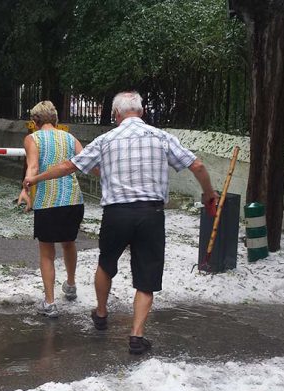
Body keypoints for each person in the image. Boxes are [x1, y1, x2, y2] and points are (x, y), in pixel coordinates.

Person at [25, 91, 218, 354]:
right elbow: (196, 165)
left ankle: (101, 313)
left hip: (116, 214)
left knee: (106, 263)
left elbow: (70, 166)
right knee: (146, 275)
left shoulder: (106, 139)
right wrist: (209, 194)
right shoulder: (161, 137)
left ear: (116, 115)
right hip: (151, 214)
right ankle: (137, 336)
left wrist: (35, 180)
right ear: (142, 112)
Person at [17, 101, 87, 318]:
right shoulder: (70, 138)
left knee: (47, 253)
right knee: (69, 244)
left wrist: (26, 189)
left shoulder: (32, 139)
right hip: (74, 199)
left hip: (47, 202)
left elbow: (33, 167)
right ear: (56, 119)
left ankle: (50, 302)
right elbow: (85, 161)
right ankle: (71, 285)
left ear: (35, 121)